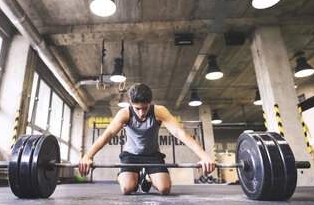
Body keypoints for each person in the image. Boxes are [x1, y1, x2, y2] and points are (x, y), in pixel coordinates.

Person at [78, 83, 215, 195]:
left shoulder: (159, 111)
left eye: (145, 108)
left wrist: (204, 156)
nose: (141, 113)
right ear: (131, 102)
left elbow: (180, 133)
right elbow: (107, 135)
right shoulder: (125, 113)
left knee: (165, 189)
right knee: (127, 189)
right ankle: (127, 175)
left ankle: (148, 177)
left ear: (150, 102)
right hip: (131, 155)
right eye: (137, 108)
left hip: (153, 155)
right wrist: (87, 156)